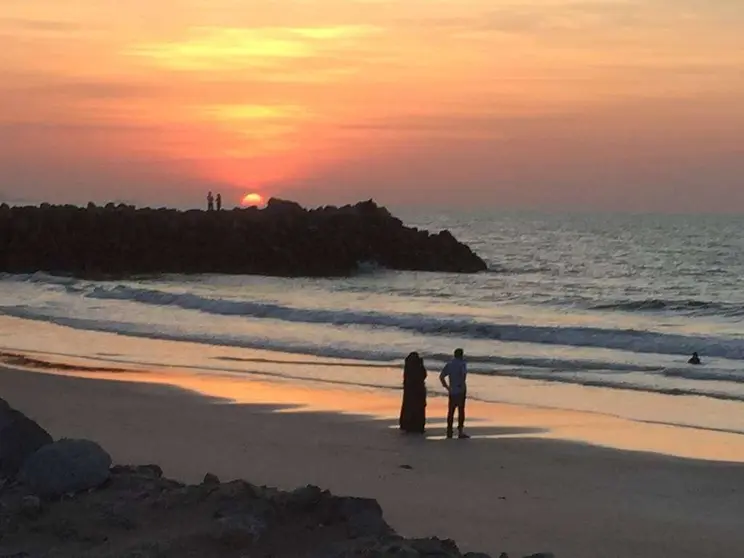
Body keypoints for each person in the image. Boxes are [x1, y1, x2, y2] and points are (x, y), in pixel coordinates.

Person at [440, 348, 469, 439]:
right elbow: (463, 376)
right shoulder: (462, 364)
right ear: (461, 355)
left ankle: (449, 431)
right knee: (461, 411)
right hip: (460, 390)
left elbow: (441, 376)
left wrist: (446, 386)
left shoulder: (449, 364)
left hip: (452, 390)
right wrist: (461, 384)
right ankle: (460, 431)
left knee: (451, 411)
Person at [399, 352, 427, 434]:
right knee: (418, 408)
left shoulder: (408, 367)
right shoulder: (418, 366)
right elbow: (424, 375)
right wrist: (421, 365)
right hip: (418, 390)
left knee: (409, 407)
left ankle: (409, 425)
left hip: (410, 391)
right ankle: (417, 426)